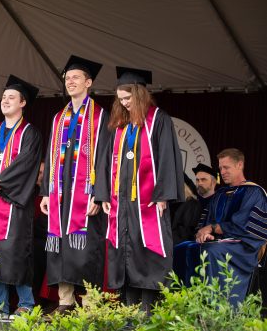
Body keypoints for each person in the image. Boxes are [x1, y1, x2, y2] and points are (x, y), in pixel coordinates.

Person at [96, 67, 184, 313]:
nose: (124, 104)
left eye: (128, 98)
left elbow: (167, 157)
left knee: (146, 250)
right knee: (124, 250)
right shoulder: (120, 125)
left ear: (140, 94)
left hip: (148, 201)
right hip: (121, 201)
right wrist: (104, 194)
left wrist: (164, 195)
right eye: (120, 99)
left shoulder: (158, 120)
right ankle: (128, 309)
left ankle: (147, 309)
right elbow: (104, 160)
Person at [39, 55, 110, 315]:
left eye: (75, 78)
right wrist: (46, 193)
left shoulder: (101, 117)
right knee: (61, 248)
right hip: (60, 197)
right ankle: (65, 301)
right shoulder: (60, 118)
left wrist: (98, 195)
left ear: (88, 82)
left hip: (86, 196)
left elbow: (104, 159)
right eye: (67, 78)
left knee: (87, 251)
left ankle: (90, 304)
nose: (70, 82)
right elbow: (49, 155)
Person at [0, 75, 42, 318]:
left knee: (15, 252)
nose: (5, 101)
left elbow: (25, 166)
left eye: (11, 97)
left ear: (23, 103)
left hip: (14, 205)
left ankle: (26, 303)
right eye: (3, 97)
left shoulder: (30, 134)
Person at [177, 148, 267, 306]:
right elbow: (204, 225)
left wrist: (212, 229)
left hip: (244, 248)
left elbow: (243, 227)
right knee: (183, 248)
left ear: (240, 165)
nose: (222, 172)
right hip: (220, 243)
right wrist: (203, 234)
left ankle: (216, 309)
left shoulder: (254, 192)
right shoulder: (220, 194)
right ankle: (184, 306)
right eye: (220, 168)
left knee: (210, 251)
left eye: (226, 167)